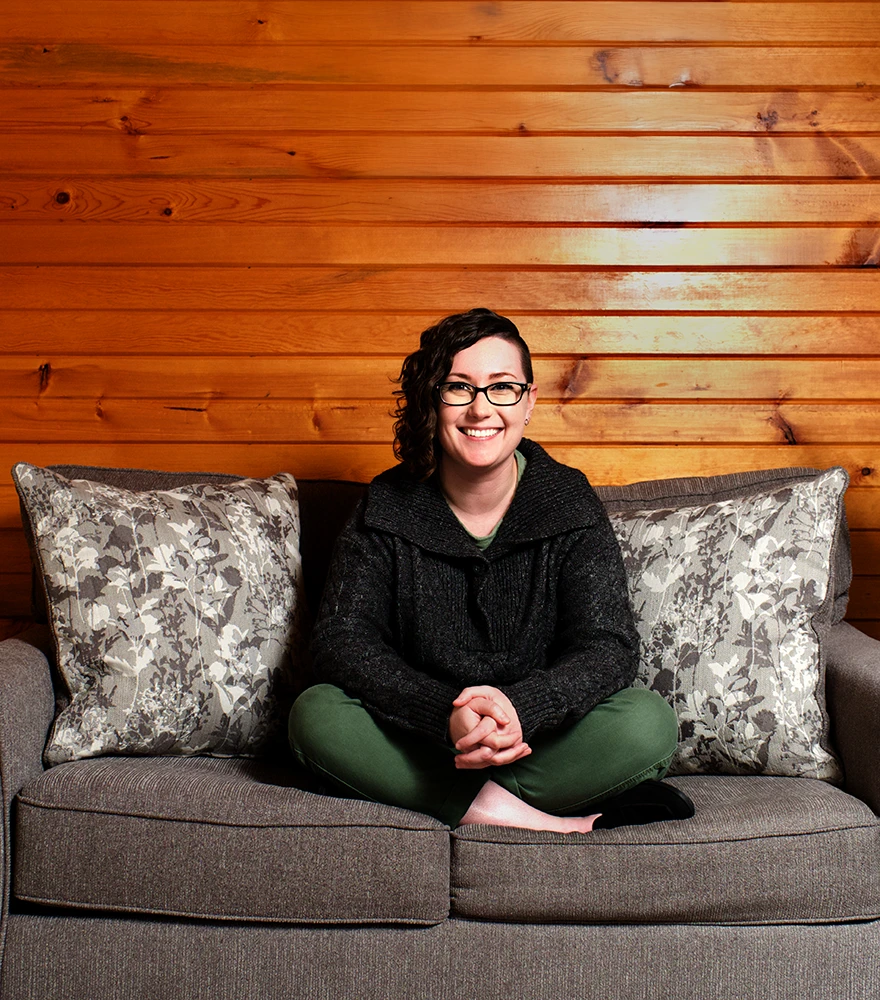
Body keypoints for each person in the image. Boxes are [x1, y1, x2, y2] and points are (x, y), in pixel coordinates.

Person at [289, 308, 694, 832]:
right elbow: (343, 642)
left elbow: (607, 645)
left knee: (647, 723)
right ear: (433, 403)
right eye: (459, 387)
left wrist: (521, 708)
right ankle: (544, 822)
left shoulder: (568, 501)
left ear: (529, 403)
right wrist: (444, 715)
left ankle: (462, 804)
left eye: (502, 387)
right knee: (315, 715)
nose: (481, 409)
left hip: (535, 738)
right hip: (421, 738)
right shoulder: (387, 505)